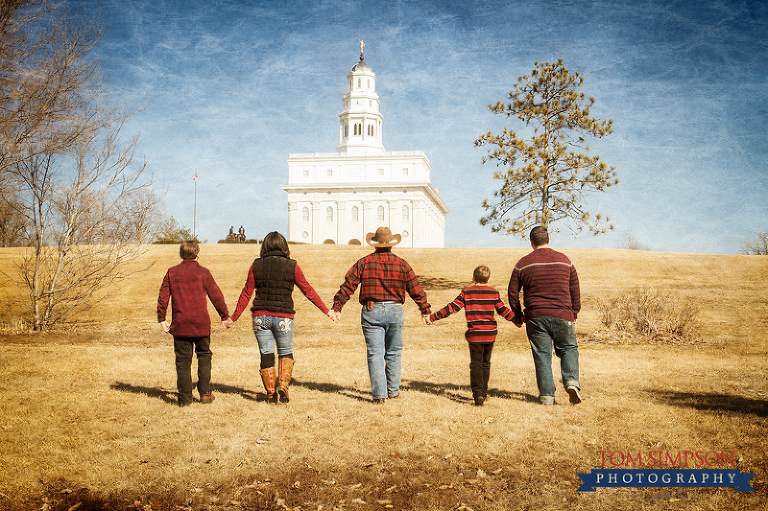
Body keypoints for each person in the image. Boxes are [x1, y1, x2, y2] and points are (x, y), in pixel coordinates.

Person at [227, 231, 336, 404]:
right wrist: (326, 310)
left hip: (261, 317)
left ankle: (271, 395)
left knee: (266, 354)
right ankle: (283, 387)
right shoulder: (292, 265)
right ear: (285, 247)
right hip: (284, 317)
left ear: (265, 247)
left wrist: (233, 317)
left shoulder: (256, 265)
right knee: (286, 352)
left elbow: (246, 293)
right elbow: (307, 290)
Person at [332, 226, 431, 404]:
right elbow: (416, 289)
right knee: (394, 353)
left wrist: (338, 306)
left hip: (371, 310)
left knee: (375, 354)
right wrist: (425, 310)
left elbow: (349, 285)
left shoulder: (363, 262)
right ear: (392, 244)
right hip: (395, 310)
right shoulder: (402, 263)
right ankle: (393, 391)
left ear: (375, 244)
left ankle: (380, 396)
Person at [508, 226, 582, 405]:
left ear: (531, 242)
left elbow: (512, 293)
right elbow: (575, 289)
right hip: (563, 313)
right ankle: (571, 381)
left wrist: (518, 316)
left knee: (542, 354)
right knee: (568, 349)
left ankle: (547, 396)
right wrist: (575, 311)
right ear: (549, 238)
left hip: (535, 316)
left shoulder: (523, 263)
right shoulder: (565, 260)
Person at [428, 265, 517, 406]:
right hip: (490, 334)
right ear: (489, 279)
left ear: (473, 278)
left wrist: (433, 317)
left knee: (476, 363)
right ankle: (483, 392)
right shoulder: (493, 293)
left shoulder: (466, 292)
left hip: (475, 334)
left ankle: (477, 395)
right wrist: (517, 320)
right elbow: (503, 310)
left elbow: (452, 307)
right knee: (485, 363)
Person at [157, 240, 231, 407]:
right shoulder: (203, 273)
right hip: (201, 325)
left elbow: (163, 298)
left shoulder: (172, 272)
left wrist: (162, 319)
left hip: (180, 325)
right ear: (198, 254)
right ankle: (205, 393)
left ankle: (184, 399)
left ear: (181, 255)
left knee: (183, 361)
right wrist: (224, 316)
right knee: (204, 356)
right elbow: (216, 296)